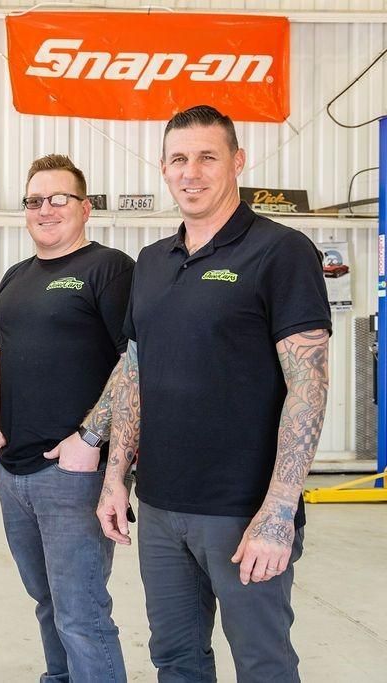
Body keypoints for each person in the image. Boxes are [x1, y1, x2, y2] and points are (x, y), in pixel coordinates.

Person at [96, 105, 331, 682]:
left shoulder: (281, 250)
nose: (191, 172)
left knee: (262, 663)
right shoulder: (152, 262)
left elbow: (309, 384)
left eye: (208, 156)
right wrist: (114, 478)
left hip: (242, 509)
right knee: (175, 659)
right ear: (163, 168)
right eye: (179, 159)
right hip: (158, 506)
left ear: (238, 162)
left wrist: (279, 509)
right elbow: (133, 370)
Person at [0, 154, 132, 682]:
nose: (45, 209)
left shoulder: (108, 268)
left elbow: (134, 363)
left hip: (73, 474)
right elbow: (0, 356)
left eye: (58, 198)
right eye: (34, 200)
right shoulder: (14, 277)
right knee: (48, 603)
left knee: (82, 613)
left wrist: (89, 438)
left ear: (85, 208)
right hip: (15, 470)